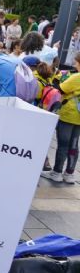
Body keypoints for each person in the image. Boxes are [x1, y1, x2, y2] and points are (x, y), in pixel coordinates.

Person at [41, 54, 80, 184]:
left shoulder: (76, 77)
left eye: (76, 63)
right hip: (79, 119)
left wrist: (61, 79)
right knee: (74, 145)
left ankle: (56, 172)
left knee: (63, 144)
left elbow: (60, 89)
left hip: (68, 115)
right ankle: (69, 174)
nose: (75, 65)